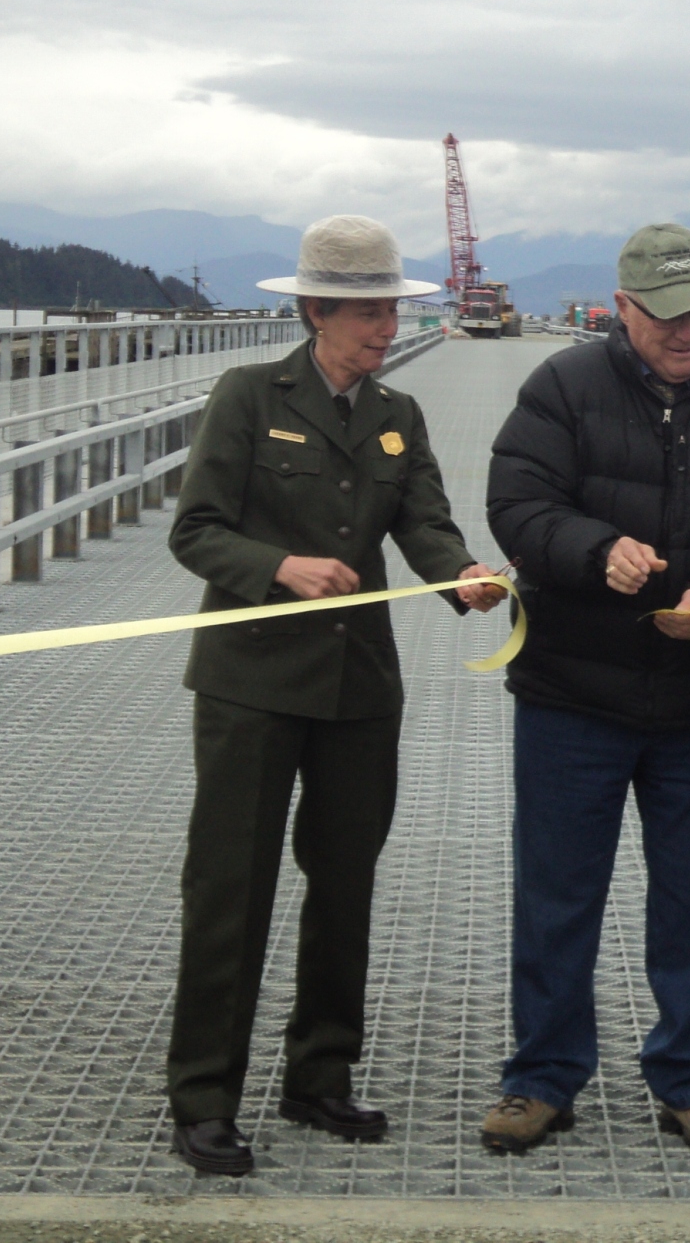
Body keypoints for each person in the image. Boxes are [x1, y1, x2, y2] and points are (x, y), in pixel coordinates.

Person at [164, 215, 506, 1177]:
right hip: (252, 686)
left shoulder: (398, 412)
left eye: (392, 312)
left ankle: (319, 1075)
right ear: (315, 310)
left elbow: (426, 523)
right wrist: (279, 567)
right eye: (366, 313)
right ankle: (203, 1096)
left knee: (344, 882)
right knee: (231, 888)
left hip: (359, 688)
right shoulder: (246, 397)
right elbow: (195, 533)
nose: (385, 329)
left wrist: (462, 577)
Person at [480, 223, 690, 1158]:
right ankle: (541, 1078)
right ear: (622, 309)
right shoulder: (560, 387)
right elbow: (518, 505)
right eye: (665, 315)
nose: (686, 332)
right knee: (556, 894)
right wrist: (594, 550)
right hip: (571, 694)